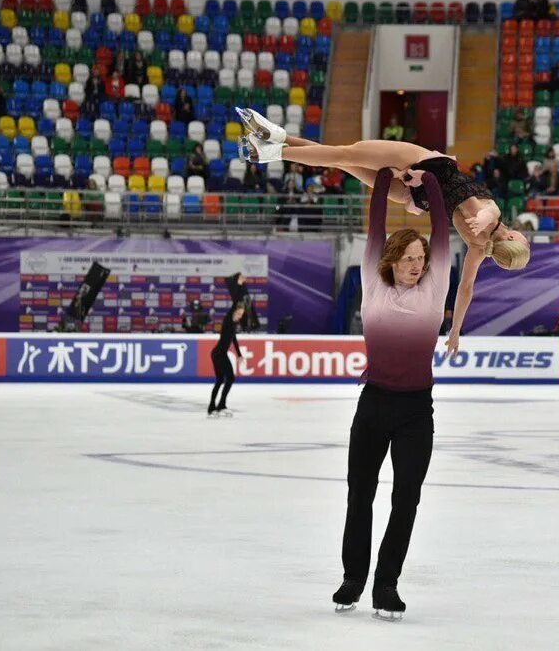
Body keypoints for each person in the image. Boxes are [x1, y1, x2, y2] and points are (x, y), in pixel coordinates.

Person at [236, 107, 530, 358]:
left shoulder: (490, 219)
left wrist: (482, 215)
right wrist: (454, 330)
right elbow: (465, 290)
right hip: (417, 195)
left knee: (344, 155)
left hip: (419, 166)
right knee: (343, 160)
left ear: (513, 238)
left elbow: (484, 209)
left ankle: (272, 151)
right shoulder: (479, 250)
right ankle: (277, 137)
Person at [331, 168, 451, 620]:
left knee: (407, 500)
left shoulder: (435, 287)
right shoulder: (373, 284)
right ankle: (352, 579)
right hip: (374, 405)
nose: (417, 264)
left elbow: (442, 231)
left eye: (421, 257)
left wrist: (431, 184)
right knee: (359, 494)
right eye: (408, 257)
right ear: (391, 259)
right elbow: (376, 226)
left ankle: (386, 585)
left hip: (416, 411)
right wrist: (383, 178)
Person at [208, 303, 246, 416]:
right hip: (219, 354)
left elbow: (234, 339)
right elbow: (235, 301)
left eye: (241, 314)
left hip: (219, 353)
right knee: (230, 378)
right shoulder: (228, 320)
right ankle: (220, 405)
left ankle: (213, 406)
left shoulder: (234, 323)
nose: (240, 316)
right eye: (238, 313)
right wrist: (239, 286)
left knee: (220, 380)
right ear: (233, 311)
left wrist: (239, 355)